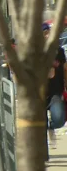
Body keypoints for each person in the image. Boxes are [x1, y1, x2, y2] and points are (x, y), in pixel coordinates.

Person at [43, 23, 66, 156]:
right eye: (45, 33)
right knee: (40, 126)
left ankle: (52, 127)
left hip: (55, 92)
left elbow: (64, 68)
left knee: (59, 119)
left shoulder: (59, 50)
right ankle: (43, 155)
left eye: (49, 32)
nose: (47, 35)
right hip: (37, 93)